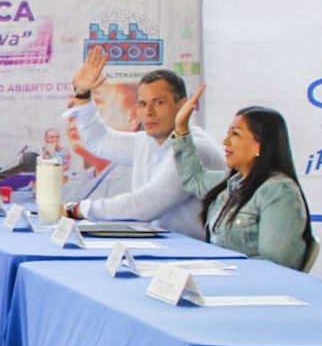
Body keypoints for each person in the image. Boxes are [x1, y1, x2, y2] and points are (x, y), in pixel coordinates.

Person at [62, 50, 224, 237]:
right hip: (166, 248)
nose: (149, 112)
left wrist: (77, 209)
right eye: (143, 104)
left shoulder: (195, 149)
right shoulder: (148, 141)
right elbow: (99, 140)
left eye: (159, 102)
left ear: (183, 106)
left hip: (198, 252)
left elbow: (147, 204)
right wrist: (82, 94)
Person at [172, 88, 313, 269]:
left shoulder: (279, 191)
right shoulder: (233, 183)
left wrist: (216, 269)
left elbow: (275, 264)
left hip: (249, 283)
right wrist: (181, 128)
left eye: (236, 134)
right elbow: (194, 179)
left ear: (259, 145)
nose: (226, 141)